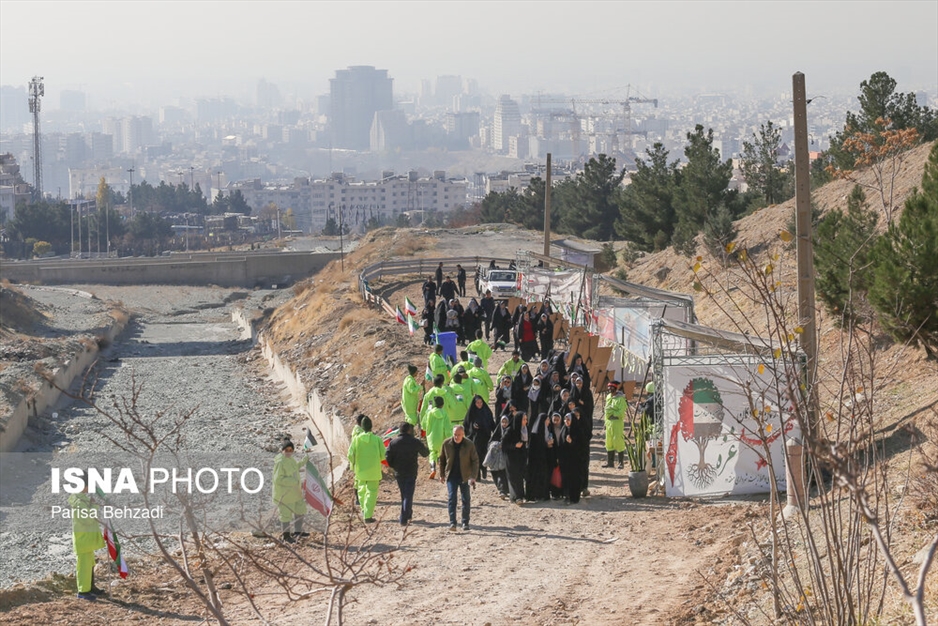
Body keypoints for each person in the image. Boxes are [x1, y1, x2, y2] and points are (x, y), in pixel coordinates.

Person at [69, 474, 106, 600]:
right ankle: (83, 591)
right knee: (84, 566)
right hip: (83, 539)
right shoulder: (79, 502)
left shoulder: (82, 499)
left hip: (86, 539)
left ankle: (90, 587)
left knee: (90, 563)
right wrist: (95, 506)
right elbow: (87, 519)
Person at [385, 422, 429, 526]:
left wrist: (394, 466)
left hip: (399, 472)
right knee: (408, 495)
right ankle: (403, 518)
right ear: (409, 430)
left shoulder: (393, 443)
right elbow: (425, 453)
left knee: (404, 494)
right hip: (411, 471)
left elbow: (388, 457)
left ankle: (408, 514)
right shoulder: (414, 441)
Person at [439, 425, 479, 531]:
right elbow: (442, 460)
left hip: (465, 476)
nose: (457, 437)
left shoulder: (469, 444)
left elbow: (475, 461)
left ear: (463, 434)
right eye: (455, 435)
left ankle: (465, 522)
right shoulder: (446, 444)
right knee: (452, 498)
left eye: (459, 435)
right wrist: (442, 474)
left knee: (466, 499)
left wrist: (473, 476)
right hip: (451, 476)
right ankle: (452, 523)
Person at [347, 416, 386, 523]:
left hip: (360, 471)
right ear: (371, 426)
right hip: (374, 471)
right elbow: (383, 455)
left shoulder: (356, 440)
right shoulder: (377, 439)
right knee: (371, 492)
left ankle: (364, 510)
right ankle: (368, 516)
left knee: (361, 491)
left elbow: (350, 455)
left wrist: (355, 463)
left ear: (361, 426)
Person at [273, 441, 307, 541]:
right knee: (285, 515)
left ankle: (298, 531)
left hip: (294, 492)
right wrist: (293, 481)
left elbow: (294, 468)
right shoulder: (280, 462)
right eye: (286, 450)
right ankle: (286, 536)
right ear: (282, 450)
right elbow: (278, 479)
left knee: (300, 510)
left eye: (291, 450)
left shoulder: (290, 460)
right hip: (284, 495)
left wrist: (304, 461)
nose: (288, 452)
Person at [463, 395, 496, 480]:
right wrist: (473, 426)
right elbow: (466, 424)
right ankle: (477, 475)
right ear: (474, 403)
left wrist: (496, 433)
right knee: (476, 456)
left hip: (485, 437)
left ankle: (484, 469)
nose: (479, 404)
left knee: (484, 454)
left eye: (481, 402)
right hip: (475, 437)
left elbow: (491, 423)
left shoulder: (487, 411)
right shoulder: (472, 412)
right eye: (477, 403)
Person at [502, 411, 529, 504]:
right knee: (514, 477)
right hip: (511, 458)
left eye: (526, 419)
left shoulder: (525, 429)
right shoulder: (510, 430)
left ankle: (519, 496)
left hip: (521, 457)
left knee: (520, 476)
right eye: (524, 419)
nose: (526, 421)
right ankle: (517, 497)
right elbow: (503, 444)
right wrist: (514, 445)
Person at [422, 395, 449, 478]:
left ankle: (433, 469)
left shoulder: (429, 413)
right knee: (442, 454)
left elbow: (423, 424)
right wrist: (449, 436)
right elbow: (447, 428)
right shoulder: (444, 414)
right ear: (443, 404)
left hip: (432, 437)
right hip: (442, 437)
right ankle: (442, 471)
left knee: (432, 453)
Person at [525, 412, 551, 501]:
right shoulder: (535, 433)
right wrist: (546, 444)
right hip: (536, 460)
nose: (549, 421)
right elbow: (537, 446)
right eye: (547, 419)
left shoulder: (546, 430)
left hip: (544, 458)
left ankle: (542, 494)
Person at [559, 413, 582, 504]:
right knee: (565, 477)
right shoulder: (563, 429)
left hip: (575, 460)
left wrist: (572, 442)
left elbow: (581, 445)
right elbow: (560, 443)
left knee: (574, 478)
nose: (566, 421)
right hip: (565, 459)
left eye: (568, 420)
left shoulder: (577, 430)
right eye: (565, 420)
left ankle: (574, 497)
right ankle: (566, 495)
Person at [604, 380, 627, 469]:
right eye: (608, 387)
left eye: (611, 387)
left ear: (615, 388)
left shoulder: (621, 399)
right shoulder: (608, 397)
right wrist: (605, 422)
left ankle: (621, 463)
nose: (609, 389)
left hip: (617, 423)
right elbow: (606, 411)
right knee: (609, 441)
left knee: (618, 441)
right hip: (609, 423)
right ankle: (610, 462)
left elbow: (621, 413)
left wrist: (612, 412)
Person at [487, 415, 511, 499]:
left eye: (506, 422)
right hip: (497, 458)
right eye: (503, 422)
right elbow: (490, 443)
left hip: (507, 457)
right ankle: (502, 490)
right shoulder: (497, 432)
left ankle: (506, 490)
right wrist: (497, 445)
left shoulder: (510, 431)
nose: (504, 424)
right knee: (499, 474)